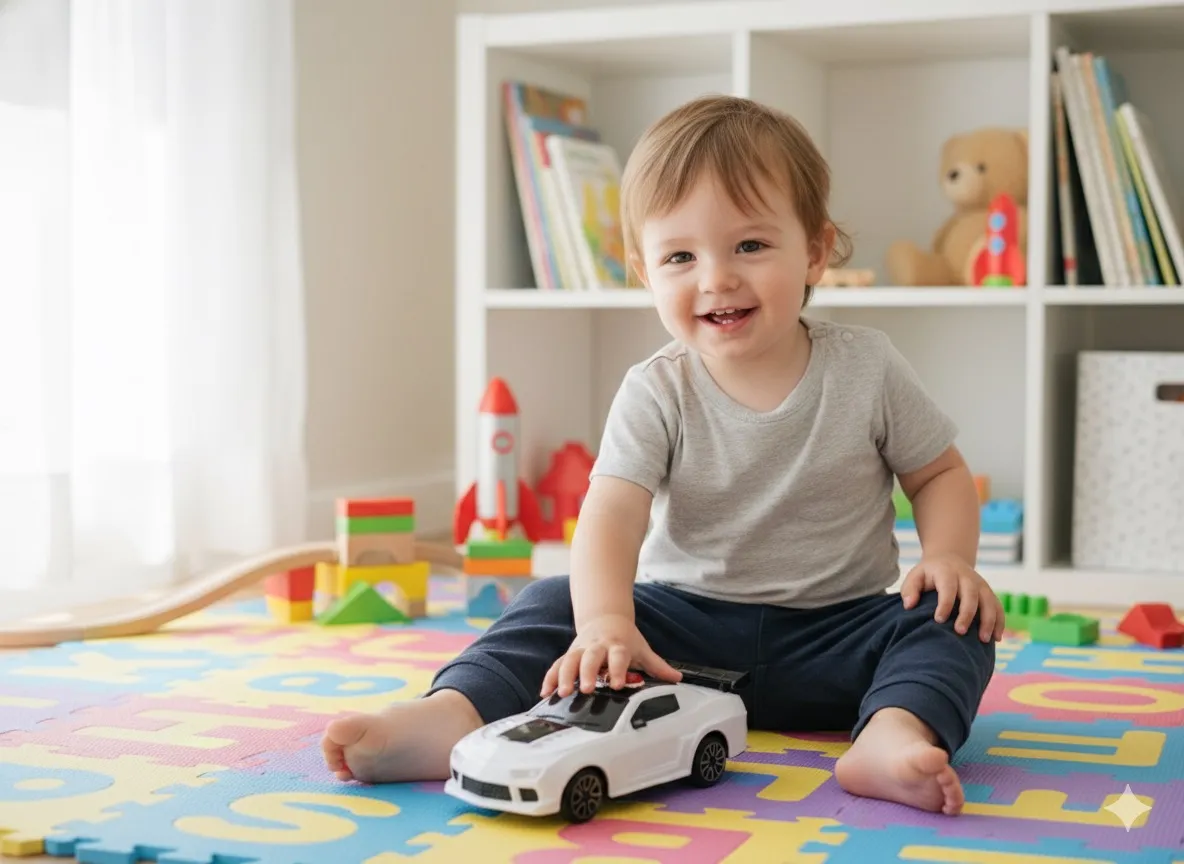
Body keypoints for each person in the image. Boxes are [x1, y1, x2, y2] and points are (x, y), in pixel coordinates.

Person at [321, 94, 1003, 817]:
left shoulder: (867, 367)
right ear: (646, 272)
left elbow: (939, 474)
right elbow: (611, 515)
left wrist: (950, 559)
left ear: (813, 250)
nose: (716, 278)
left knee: (957, 619)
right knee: (552, 601)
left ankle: (892, 734)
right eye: (681, 256)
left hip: (836, 637)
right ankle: (453, 716)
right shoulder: (657, 389)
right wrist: (608, 624)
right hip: (674, 647)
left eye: (749, 246)